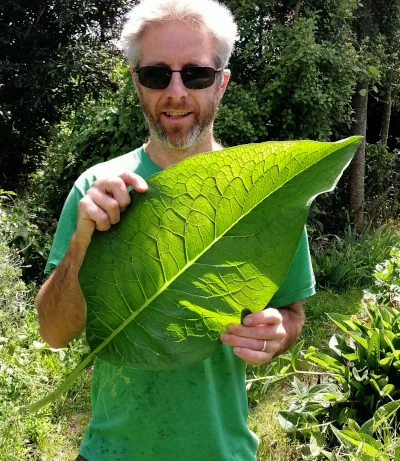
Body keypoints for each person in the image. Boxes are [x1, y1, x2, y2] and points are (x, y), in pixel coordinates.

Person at [35, 1, 315, 460]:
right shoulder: (96, 189)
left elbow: (292, 313)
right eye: (157, 75)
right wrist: (84, 241)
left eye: (197, 74)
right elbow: (53, 333)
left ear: (221, 83)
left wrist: (276, 334)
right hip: (110, 452)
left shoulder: (267, 196)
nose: (177, 91)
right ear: (136, 83)